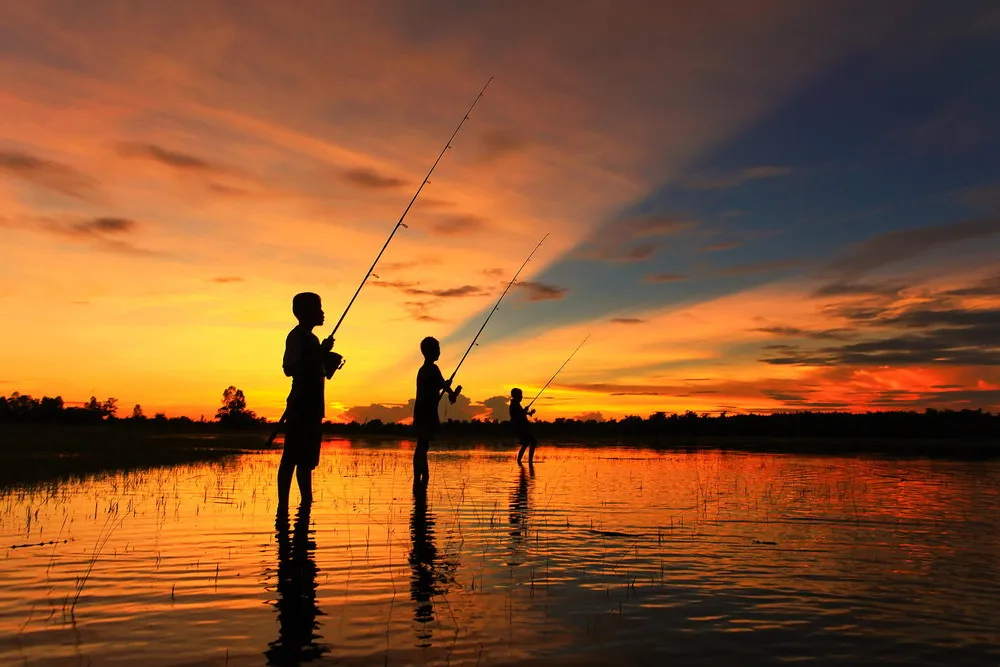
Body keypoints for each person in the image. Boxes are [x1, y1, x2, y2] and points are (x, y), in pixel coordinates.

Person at [278, 292, 341, 512]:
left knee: (306, 461)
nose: (322, 313)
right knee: (290, 458)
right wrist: (320, 353)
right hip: (300, 405)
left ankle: (306, 504)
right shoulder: (296, 337)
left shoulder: (312, 340)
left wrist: (327, 359)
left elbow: (320, 373)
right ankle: (282, 507)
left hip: (314, 407)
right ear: (303, 313)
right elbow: (290, 369)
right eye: (318, 308)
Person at [412, 336, 461, 484]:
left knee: (423, 444)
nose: (439, 352)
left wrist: (450, 391)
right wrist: (452, 393)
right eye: (437, 349)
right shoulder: (432, 368)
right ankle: (420, 477)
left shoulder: (424, 369)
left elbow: (437, 385)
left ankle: (422, 477)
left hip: (423, 410)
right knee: (423, 445)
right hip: (426, 412)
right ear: (430, 351)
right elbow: (441, 385)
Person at [509, 388, 538, 464]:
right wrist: (525, 411)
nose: (522, 397)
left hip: (521, 427)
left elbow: (521, 413)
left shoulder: (515, 404)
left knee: (526, 444)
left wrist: (528, 413)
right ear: (516, 396)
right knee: (533, 442)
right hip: (521, 428)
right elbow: (518, 415)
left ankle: (521, 461)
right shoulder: (514, 405)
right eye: (520, 395)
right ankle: (529, 462)